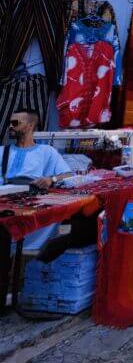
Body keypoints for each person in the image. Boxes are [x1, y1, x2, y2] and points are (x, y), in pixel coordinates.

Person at [2, 111, 85, 260]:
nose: (10, 127)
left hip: (31, 201)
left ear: (30, 125)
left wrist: (51, 179)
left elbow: (69, 176)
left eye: (15, 123)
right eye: (10, 123)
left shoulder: (47, 152)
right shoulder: (2, 151)